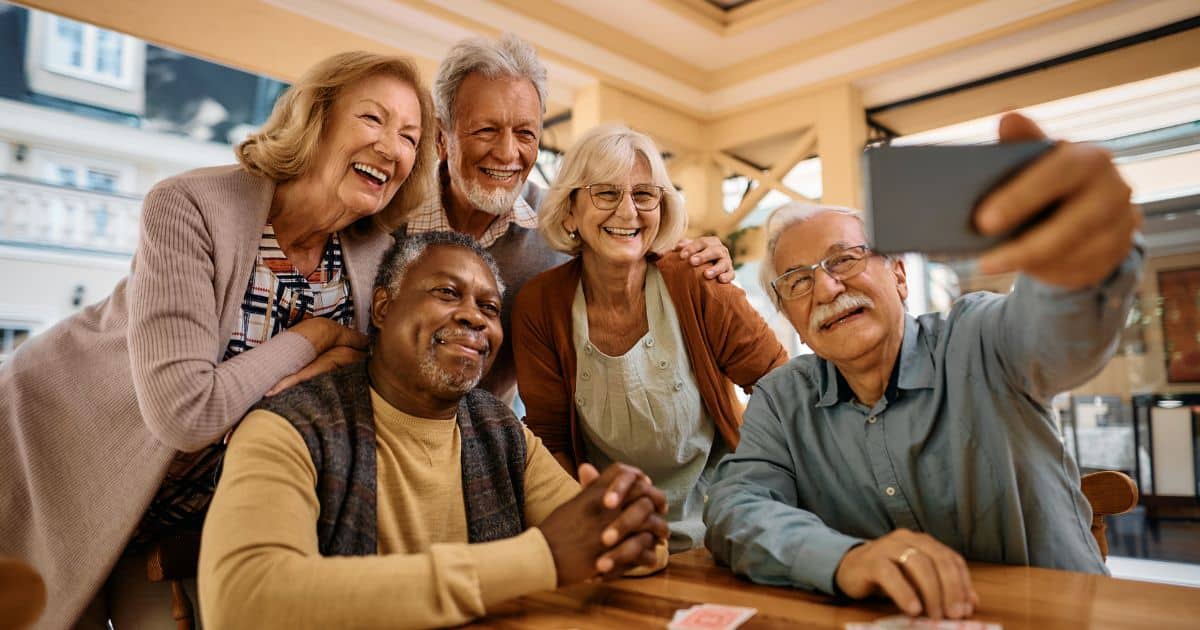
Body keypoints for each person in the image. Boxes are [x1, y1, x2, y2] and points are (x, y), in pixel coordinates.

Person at [0, 51, 438, 628]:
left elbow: (365, 384)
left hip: (182, 513)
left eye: (410, 136)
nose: (393, 148)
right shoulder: (190, 206)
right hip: (62, 455)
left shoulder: (371, 255)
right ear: (317, 118)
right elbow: (186, 411)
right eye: (373, 120)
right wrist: (314, 337)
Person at [703, 112, 1143, 621]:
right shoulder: (782, 400)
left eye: (843, 259)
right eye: (798, 282)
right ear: (794, 323)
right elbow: (734, 508)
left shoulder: (980, 339)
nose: (825, 288)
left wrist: (1081, 264)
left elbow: (1060, 336)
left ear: (899, 275)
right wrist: (844, 558)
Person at [198, 231, 668, 628]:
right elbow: (243, 602)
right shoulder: (289, 428)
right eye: (447, 293)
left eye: (489, 307)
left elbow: (608, 543)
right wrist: (539, 558)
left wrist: (633, 524)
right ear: (383, 308)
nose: (474, 317)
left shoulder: (499, 429)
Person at [401, 34, 734, 401]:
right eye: (486, 130)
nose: (508, 153)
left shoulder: (564, 221)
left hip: (489, 439)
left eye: (525, 133)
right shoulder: (388, 216)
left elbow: (633, 251)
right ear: (441, 137)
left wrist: (701, 258)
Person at [513, 124, 788, 553]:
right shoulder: (540, 305)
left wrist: (750, 487)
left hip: (723, 529)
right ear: (569, 211)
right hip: (613, 534)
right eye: (606, 193)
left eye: (644, 195)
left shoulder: (696, 278)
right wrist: (593, 527)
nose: (628, 212)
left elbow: (780, 387)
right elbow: (551, 441)